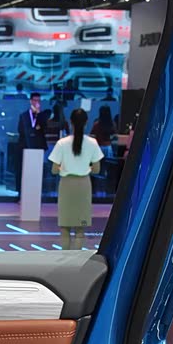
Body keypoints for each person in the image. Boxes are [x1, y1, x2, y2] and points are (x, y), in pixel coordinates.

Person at [49, 107, 105, 251]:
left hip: (66, 186)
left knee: (65, 226)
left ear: (70, 122)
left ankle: (65, 256)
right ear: (86, 123)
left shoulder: (62, 143)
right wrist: (84, 168)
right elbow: (97, 169)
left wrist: (65, 168)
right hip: (83, 185)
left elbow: (54, 169)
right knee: (80, 228)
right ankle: (76, 258)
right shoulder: (92, 143)